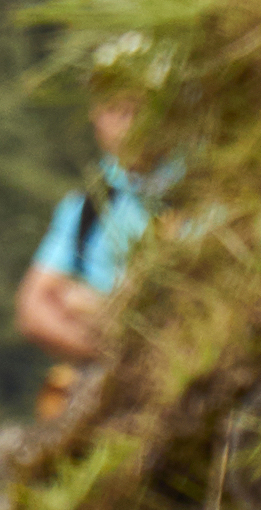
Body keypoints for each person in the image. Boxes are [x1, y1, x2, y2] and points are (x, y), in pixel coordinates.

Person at [17, 75, 172, 376]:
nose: (126, 120)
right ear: (95, 114)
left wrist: (81, 303)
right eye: (114, 107)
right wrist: (122, 356)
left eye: (136, 106)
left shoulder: (204, 190)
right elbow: (33, 311)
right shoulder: (86, 208)